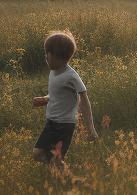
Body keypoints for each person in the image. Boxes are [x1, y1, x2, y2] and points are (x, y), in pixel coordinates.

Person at [31, 30, 98, 162]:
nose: (45, 57)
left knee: (55, 158)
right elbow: (58, 94)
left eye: (47, 54)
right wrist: (45, 99)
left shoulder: (71, 76)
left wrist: (90, 129)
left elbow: (84, 99)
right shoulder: (53, 72)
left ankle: (66, 178)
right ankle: (60, 172)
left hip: (64, 125)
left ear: (57, 56)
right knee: (38, 154)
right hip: (51, 122)